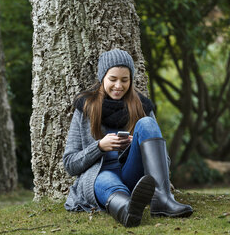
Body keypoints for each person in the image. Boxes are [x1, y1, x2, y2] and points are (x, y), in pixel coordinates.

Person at [63, 49, 193, 227]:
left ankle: (162, 200)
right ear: (102, 78)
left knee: (147, 123)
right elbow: (70, 164)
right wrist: (100, 146)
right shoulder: (85, 107)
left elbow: (165, 161)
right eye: (113, 79)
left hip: (134, 175)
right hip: (100, 177)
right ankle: (126, 209)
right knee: (105, 180)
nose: (118, 86)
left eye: (125, 80)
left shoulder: (142, 105)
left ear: (131, 80)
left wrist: (139, 148)